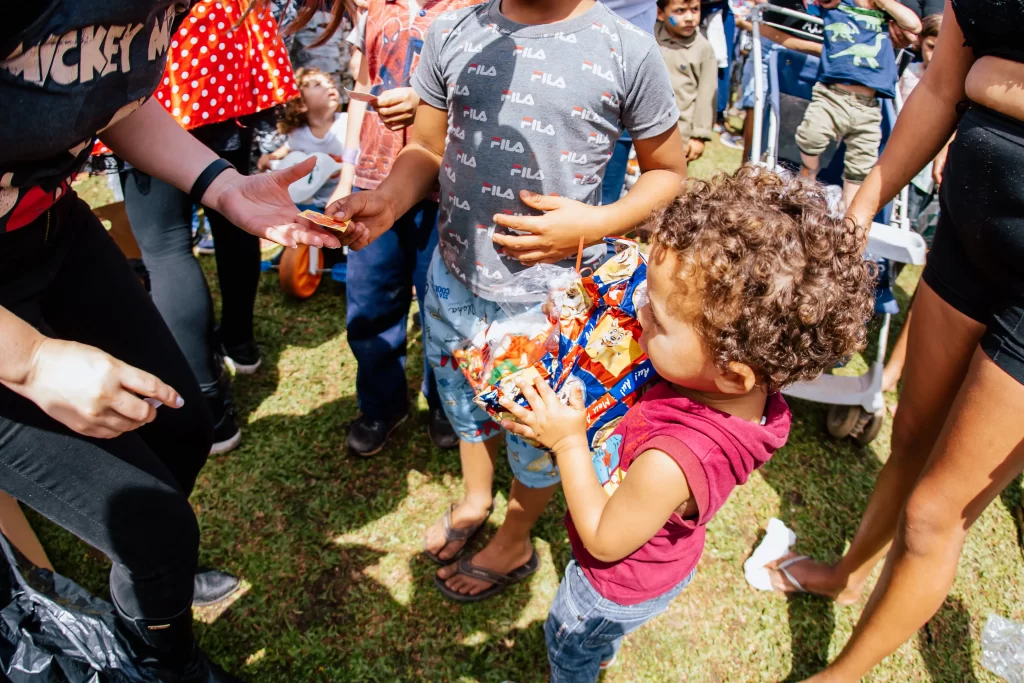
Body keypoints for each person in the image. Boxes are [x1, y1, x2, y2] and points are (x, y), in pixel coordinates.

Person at [0, 2, 349, 680]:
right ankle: (167, 661)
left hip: (51, 230)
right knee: (157, 528)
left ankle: (150, 594)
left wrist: (223, 187)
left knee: (182, 430)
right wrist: (30, 359)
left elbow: (111, 96)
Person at [329, 0, 687, 601]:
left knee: (540, 432)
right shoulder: (453, 30)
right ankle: (476, 495)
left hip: (555, 306)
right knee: (466, 402)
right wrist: (390, 200)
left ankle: (516, 533)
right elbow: (427, 150)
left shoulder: (626, 48)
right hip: (452, 281)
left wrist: (597, 223)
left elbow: (667, 173)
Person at [499, 167, 875, 682]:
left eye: (658, 316)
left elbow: (605, 539)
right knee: (599, 637)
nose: (640, 312)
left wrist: (567, 443)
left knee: (570, 644)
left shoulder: (673, 459)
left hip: (611, 586)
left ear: (730, 370)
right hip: (661, 565)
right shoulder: (741, 385)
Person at [766, 0, 1024, 679]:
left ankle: (837, 676)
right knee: (908, 437)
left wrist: (994, 83)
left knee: (935, 513)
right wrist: (863, 201)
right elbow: (943, 84)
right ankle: (847, 572)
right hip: (970, 234)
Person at [122, 0, 299, 455]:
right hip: (220, 55)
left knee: (164, 245)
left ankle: (211, 406)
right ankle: (240, 345)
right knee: (234, 214)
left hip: (163, 71)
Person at [331, 0, 481, 458]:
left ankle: (446, 403)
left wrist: (429, 104)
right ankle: (382, 405)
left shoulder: (479, 11)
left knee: (445, 308)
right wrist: (346, 171)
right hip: (373, 183)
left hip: (447, 189)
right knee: (370, 303)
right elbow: (362, 85)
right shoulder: (375, 6)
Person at [794, 0, 921, 208]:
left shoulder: (885, 12)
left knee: (861, 165)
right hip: (831, 95)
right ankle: (808, 174)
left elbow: (914, 26)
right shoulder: (836, 5)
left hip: (868, 106)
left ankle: (849, 214)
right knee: (810, 135)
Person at [879, 12, 943, 397]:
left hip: (934, 185)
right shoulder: (906, 73)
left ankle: (894, 369)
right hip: (904, 177)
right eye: (932, 46)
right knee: (893, 259)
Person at [258, 68, 349, 211]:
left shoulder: (347, 122)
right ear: (301, 104)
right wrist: (271, 157)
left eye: (330, 82)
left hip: (348, 198)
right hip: (314, 202)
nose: (330, 86)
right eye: (318, 85)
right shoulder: (298, 134)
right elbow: (288, 147)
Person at [656, 0, 719, 164]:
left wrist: (699, 135)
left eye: (695, 9)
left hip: (678, 133)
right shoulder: (650, 35)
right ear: (660, 14)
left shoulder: (703, 49)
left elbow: (707, 95)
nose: (690, 17)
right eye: (680, 11)